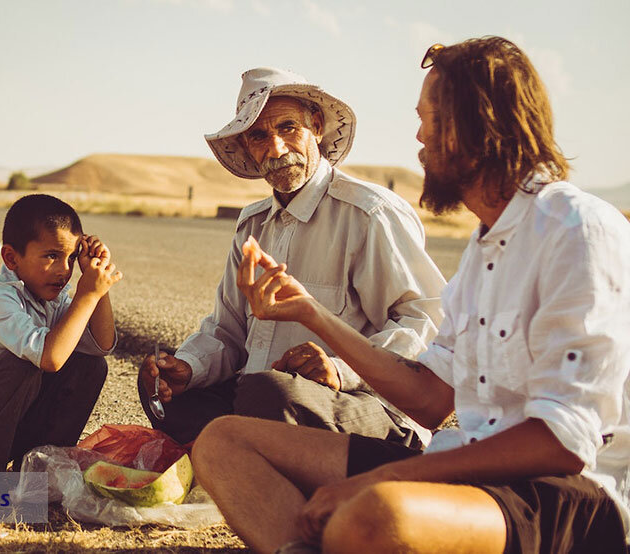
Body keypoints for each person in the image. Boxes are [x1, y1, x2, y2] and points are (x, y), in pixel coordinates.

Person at [192, 37, 630, 554]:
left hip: (563, 498)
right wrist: (310, 313)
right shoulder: (484, 247)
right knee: (222, 442)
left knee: (375, 515)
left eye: (432, 119)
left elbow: (563, 443)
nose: (419, 137)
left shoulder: (577, 229)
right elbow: (427, 401)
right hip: (464, 463)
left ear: (481, 122)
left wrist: (388, 477)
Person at [137, 67, 446, 446]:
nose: (276, 149)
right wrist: (187, 368)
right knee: (164, 391)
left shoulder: (369, 214)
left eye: (288, 128)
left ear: (316, 126)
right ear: (247, 147)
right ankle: (238, 461)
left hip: (360, 405)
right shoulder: (252, 225)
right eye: (259, 136)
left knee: (268, 395)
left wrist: (339, 370)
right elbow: (227, 330)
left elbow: (423, 322)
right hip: (266, 401)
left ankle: (240, 463)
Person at [0, 194, 122, 490]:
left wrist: (98, 284)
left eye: (70, 258)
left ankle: (43, 465)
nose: (64, 270)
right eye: (51, 256)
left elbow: (101, 345)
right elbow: (50, 358)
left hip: (11, 421)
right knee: (27, 362)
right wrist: (87, 294)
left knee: (91, 366)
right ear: (11, 258)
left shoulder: (51, 300)